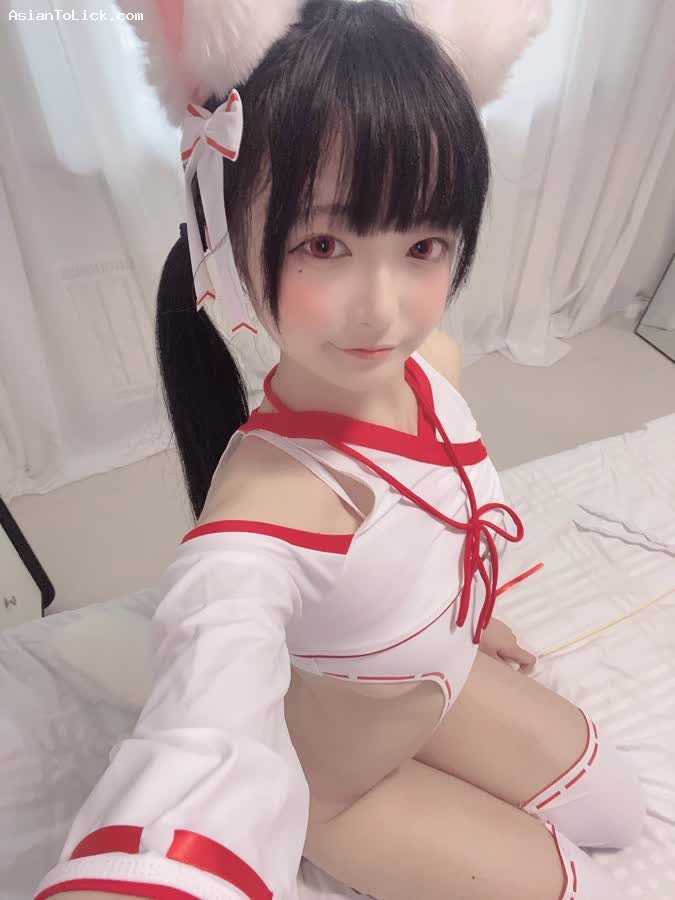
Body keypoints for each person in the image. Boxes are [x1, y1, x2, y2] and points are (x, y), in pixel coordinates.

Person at [35, 2, 645, 899]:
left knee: (622, 814)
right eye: (324, 244)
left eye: (422, 244)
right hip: (346, 785)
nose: (383, 311)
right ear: (224, 239)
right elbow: (198, 732)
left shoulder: (435, 367)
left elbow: (436, 518)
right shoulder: (260, 521)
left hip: (437, 680)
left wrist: (462, 619)